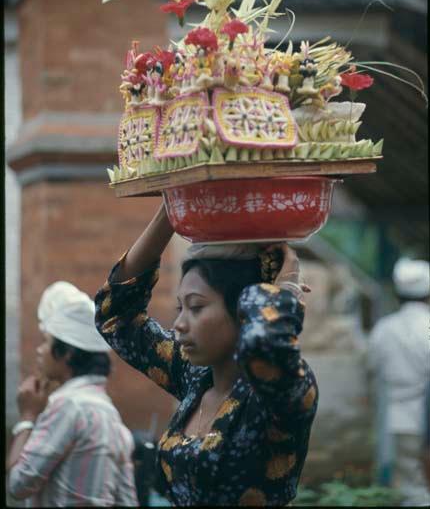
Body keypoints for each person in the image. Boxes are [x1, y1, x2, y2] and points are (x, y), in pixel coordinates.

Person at [94, 202, 318, 506]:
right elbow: (116, 316)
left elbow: (268, 345)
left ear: (245, 312)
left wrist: (285, 286)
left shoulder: (279, 393)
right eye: (180, 308)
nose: (179, 324)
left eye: (197, 307)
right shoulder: (194, 377)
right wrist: (171, 209)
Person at [7, 280, 138, 507]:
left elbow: (18, 485)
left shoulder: (67, 406)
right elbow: (127, 500)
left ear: (66, 353)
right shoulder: (111, 417)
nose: (40, 351)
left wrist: (27, 417)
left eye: (46, 342)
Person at [368, 257, 430, 507]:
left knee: (405, 490)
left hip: (395, 420)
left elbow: (371, 369)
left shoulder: (384, 329)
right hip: (425, 419)